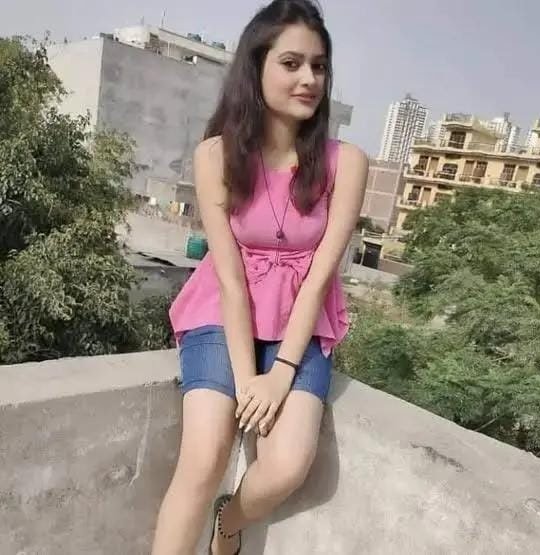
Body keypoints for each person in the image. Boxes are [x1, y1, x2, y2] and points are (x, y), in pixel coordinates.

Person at [151, 1, 368, 553]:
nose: (309, 78)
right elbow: (229, 279)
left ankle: (228, 523)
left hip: (300, 322)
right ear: (257, 67)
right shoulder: (216, 156)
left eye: (319, 66)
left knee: (288, 465)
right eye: (291, 63)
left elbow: (319, 277)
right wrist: (249, 377)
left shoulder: (346, 162)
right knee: (203, 459)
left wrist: (282, 372)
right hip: (222, 314)